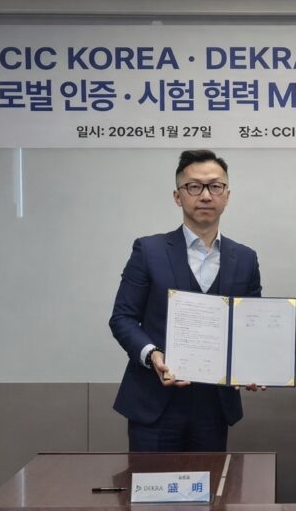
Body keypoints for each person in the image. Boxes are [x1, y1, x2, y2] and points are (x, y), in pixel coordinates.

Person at [109, 149, 262, 452]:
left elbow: (252, 324)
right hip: (154, 403)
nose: (205, 195)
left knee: (210, 483)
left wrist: (255, 366)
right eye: (194, 186)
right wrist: (152, 355)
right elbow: (122, 318)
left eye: (215, 186)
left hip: (215, 405)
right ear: (178, 196)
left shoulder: (245, 258)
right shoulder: (148, 250)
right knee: (151, 482)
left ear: (227, 196)